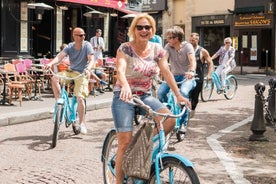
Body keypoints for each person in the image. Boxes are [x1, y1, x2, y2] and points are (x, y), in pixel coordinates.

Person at [112, 13, 189, 184]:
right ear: (134, 30)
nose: (144, 30)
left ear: (152, 30)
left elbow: (167, 72)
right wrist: (124, 85)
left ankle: (139, 147)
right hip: (124, 96)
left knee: (169, 121)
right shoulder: (124, 48)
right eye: (140, 27)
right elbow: (120, 70)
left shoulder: (157, 49)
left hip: (145, 95)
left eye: (148, 27)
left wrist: (178, 95)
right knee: (123, 143)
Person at [44, 27, 94, 135]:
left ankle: (82, 123)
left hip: (82, 73)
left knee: (80, 99)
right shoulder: (70, 46)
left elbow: (91, 59)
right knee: (55, 78)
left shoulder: (87, 45)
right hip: (71, 71)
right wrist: (50, 63)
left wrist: (88, 69)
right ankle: (58, 101)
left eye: (84, 35)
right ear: (74, 36)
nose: (83, 37)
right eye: (80, 35)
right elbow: (59, 57)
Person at [157, 25, 197, 132]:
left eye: (170, 38)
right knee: (160, 92)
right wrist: (158, 69)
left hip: (187, 77)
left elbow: (193, 61)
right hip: (173, 76)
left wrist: (192, 71)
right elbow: (163, 60)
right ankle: (168, 111)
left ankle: (183, 122)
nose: (168, 39)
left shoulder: (187, 46)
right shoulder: (168, 47)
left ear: (177, 38)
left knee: (183, 93)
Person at [189, 33, 214, 118]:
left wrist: (209, 75)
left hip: (198, 78)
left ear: (197, 40)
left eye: (194, 40)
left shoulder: (202, 51)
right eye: (191, 40)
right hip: (188, 77)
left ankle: (192, 109)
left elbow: (210, 63)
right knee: (185, 94)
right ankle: (185, 112)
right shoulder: (186, 50)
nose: (192, 42)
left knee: (194, 97)